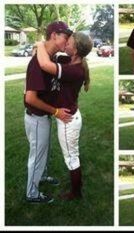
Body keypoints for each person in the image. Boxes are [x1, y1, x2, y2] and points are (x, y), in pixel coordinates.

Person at [35, 31, 93, 201]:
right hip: (70, 116)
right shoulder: (70, 60)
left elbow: (45, 65)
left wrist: (39, 44)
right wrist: (42, 48)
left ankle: (76, 193)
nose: (66, 43)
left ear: (75, 51)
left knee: (71, 158)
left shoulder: (75, 70)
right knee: (72, 155)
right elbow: (48, 57)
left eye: (69, 42)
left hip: (68, 120)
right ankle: (77, 188)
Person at [24, 21, 73, 204]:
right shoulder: (38, 63)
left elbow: (76, 57)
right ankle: (32, 193)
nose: (67, 41)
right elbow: (30, 98)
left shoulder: (51, 57)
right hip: (36, 116)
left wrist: (38, 44)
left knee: (43, 152)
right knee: (37, 155)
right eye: (65, 37)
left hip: (43, 117)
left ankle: (41, 177)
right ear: (54, 35)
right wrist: (56, 111)